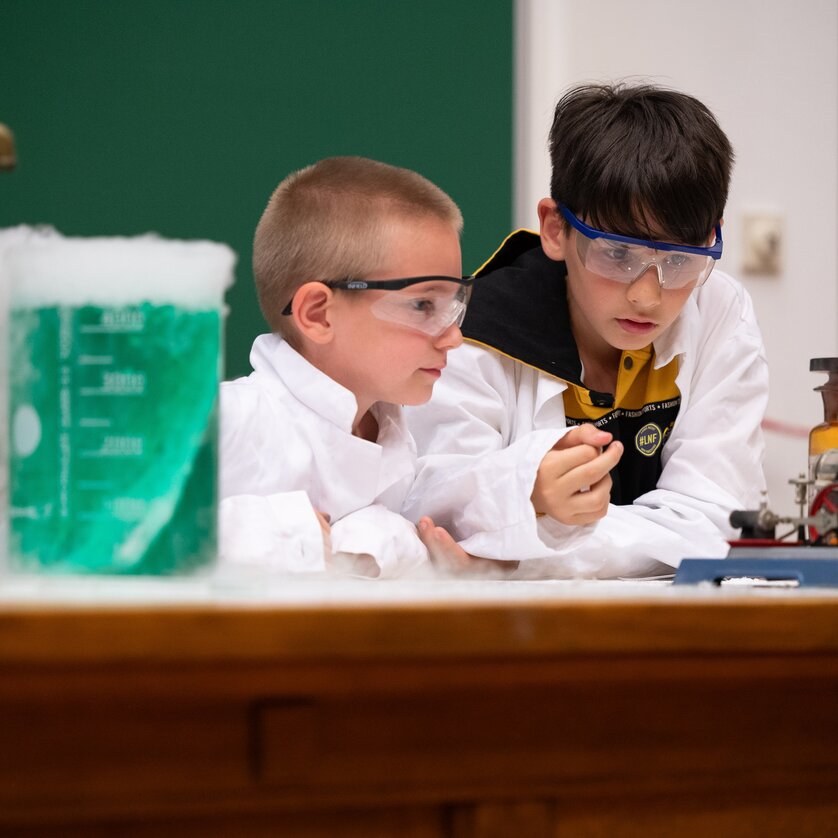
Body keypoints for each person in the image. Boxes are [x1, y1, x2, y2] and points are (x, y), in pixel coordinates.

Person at [404, 83, 768, 579]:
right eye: (617, 254)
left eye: (681, 260)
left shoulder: (720, 310)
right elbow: (433, 510)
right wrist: (524, 492)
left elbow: (713, 519)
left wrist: (532, 551)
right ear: (556, 230)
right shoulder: (472, 332)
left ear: (711, 238)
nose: (647, 295)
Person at [220, 156, 467, 577]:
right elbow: (111, 527)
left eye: (454, 305)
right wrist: (298, 538)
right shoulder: (228, 420)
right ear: (318, 314)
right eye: (423, 304)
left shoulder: (396, 430)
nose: (453, 336)